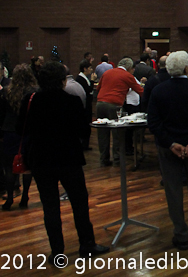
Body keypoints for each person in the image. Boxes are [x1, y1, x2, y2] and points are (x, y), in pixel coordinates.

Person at [17, 62, 109, 263]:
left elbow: (20, 128)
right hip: (68, 158)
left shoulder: (31, 100)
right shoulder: (71, 101)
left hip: (41, 159)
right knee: (79, 203)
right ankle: (87, 244)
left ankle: (57, 251)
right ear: (62, 81)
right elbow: (83, 132)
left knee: (50, 206)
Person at [147, 51, 188, 250]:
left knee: (173, 191)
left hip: (168, 149)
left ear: (168, 69)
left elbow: (153, 123)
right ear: (187, 68)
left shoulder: (159, 91)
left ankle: (181, 234)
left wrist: (171, 143)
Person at [95, 57, 144, 166]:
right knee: (117, 133)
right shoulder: (127, 76)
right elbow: (140, 91)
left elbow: (98, 88)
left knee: (102, 134)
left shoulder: (107, 73)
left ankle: (104, 159)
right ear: (129, 67)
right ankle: (117, 160)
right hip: (114, 105)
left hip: (100, 104)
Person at [1, 64, 37, 210]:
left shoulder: (6, 92)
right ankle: (25, 197)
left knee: (8, 168)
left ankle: (10, 198)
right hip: (28, 131)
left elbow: (1, 114)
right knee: (27, 167)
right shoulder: (34, 93)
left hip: (10, 131)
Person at [76, 60, 95, 151]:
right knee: (86, 124)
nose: (91, 70)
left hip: (87, 104)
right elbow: (88, 89)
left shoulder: (83, 78)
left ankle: (86, 144)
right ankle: (84, 144)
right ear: (85, 68)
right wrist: (92, 80)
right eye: (90, 68)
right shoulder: (80, 79)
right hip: (85, 105)